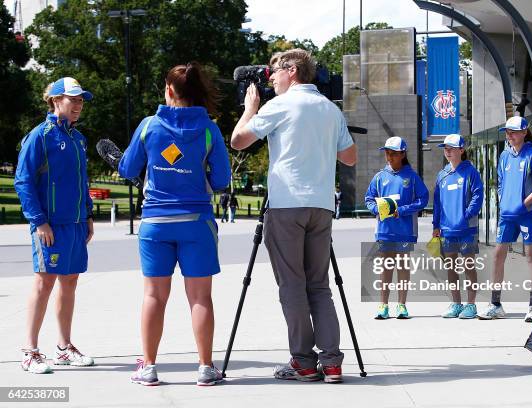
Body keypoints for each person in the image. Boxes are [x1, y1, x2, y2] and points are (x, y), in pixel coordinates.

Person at [231, 49, 356, 383]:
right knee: (319, 285)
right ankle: (331, 362)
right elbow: (349, 157)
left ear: (291, 70)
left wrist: (249, 109)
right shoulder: (330, 109)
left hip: (287, 203)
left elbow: (238, 140)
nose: (270, 79)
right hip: (322, 205)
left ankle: (303, 361)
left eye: (274, 72)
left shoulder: (279, 106)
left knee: (292, 286)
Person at [119, 62, 231, 386]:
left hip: (156, 222)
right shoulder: (209, 129)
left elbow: (127, 168)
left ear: (169, 90)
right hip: (197, 222)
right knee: (200, 298)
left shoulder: (149, 126)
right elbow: (221, 179)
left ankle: (149, 366)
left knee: (154, 295)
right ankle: (206, 368)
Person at [14, 77, 95, 374]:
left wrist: (87, 215)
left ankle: (64, 347)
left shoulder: (78, 139)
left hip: (74, 224)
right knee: (44, 281)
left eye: (81, 101)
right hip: (49, 225)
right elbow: (23, 181)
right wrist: (39, 222)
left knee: (70, 280)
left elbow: (82, 182)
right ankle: (30, 351)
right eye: (72, 99)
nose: (77, 105)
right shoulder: (40, 136)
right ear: (55, 100)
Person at [478, 116, 532, 322]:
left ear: (524, 132)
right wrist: (503, 200)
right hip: (507, 216)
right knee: (498, 255)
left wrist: (524, 204)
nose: (509, 135)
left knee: (530, 256)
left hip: (528, 214)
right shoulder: (504, 155)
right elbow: (500, 182)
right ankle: (495, 304)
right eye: (507, 132)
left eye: (513, 131)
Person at [365, 136, 429, 320]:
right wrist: (376, 208)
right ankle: (383, 305)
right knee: (386, 267)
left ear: (402, 154)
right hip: (385, 230)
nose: (389, 157)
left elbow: (423, 199)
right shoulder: (379, 177)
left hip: (405, 230)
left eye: (393, 153)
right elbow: (369, 198)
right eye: (387, 153)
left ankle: (402, 305)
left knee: (402, 266)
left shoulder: (412, 177)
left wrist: (402, 210)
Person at [432, 134, 483, 319]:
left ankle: (471, 305)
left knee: (468, 265)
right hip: (447, 230)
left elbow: (478, 195)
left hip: (467, 229)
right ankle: (456, 303)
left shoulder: (470, 172)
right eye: (445, 148)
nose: (448, 151)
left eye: (451, 148)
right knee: (451, 267)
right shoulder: (442, 175)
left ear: (461, 149)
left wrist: (467, 214)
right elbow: (437, 202)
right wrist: (436, 224)